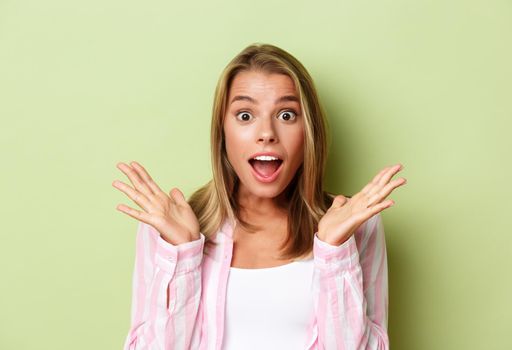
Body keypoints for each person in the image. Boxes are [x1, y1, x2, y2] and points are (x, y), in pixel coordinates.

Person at [113, 43, 407, 350]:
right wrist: (182, 255)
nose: (266, 133)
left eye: (286, 114)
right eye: (244, 115)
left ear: (309, 130)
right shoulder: (167, 228)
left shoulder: (356, 227)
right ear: (222, 132)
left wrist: (334, 252)